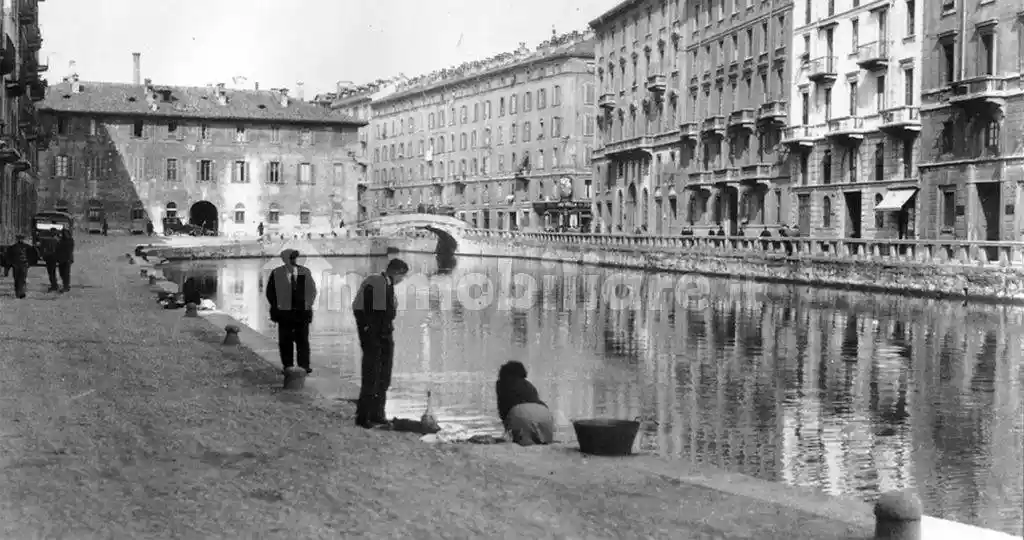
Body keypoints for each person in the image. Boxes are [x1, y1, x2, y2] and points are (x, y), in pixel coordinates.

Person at [352, 258, 410, 428]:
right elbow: (371, 314)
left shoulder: (385, 284)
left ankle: (377, 413)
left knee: (383, 376)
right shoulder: (377, 283)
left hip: (383, 334)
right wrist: (371, 334)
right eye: (402, 276)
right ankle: (364, 416)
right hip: (375, 336)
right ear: (396, 272)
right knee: (372, 375)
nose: (402, 280)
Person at [265, 249, 317, 375]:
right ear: (284, 260)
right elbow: (270, 293)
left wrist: (307, 304)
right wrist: (277, 306)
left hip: (302, 313)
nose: (293, 261)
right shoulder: (277, 273)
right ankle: (287, 366)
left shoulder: (304, 271)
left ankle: (304, 366)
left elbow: (312, 291)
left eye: (294, 258)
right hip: (284, 313)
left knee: (302, 340)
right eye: (290, 258)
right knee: (285, 341)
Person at [495, 361, 554, 446]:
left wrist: (508, 431)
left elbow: (503, 411)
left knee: (523, 444)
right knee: (542, 443)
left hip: (520, 414)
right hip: (545, 415)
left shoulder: (501, 384)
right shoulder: (529, 385)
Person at [4, 234, 32, 299]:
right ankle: (18, 292)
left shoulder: (27, 247)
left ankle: (22, 292)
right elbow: (8, 256)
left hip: (24, 264)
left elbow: (32, 255)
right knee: (17, 279)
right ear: (17, 239)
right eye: (19, 238)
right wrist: (10, 263)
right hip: (16, 265)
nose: (20, 240)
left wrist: (29, 263)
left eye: (21, 238)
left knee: (22, 279)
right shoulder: (13, 247)